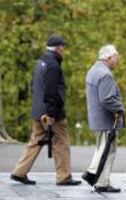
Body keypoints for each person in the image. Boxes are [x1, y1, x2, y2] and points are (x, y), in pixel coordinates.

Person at [10, 36, 82, 186]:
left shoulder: (40, 62)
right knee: (61, 142)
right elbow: (50, 91)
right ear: (58, 48)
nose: (64, 50)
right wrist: (51, 113)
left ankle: (19, 171)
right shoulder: (53, 65)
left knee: (35, 141)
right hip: (51, 113)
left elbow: (33, 86)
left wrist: (39, 109)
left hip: (38, 110)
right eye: (63, 47)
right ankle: (64, 177)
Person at [82, 45, 125, 193]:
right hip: (105, 120)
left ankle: (96, 177)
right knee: (108, 150)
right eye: (116, 58)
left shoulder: (94, 70)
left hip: (97, 119)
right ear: (108, 58)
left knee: (102, 149)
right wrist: (119, 108)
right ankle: (100, 180)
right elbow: (107, 99)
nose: (117, 61)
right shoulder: (105, 74)